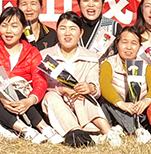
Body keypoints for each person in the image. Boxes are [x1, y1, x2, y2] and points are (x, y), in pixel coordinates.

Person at [0, 8, 55, 141]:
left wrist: (30, 100)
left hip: (26, 100)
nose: (8, 31)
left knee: (15, 88)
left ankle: (43, 127)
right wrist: (3, 96)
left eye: (14, 26)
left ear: (24, 28)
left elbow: (40, 80)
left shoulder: (32, 52)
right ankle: (25, 129)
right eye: (4, 25)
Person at [39, 13, 109, 145]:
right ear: (57, 30)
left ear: (81, 33)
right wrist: (62, 89)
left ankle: (108, 132)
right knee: (50, 97)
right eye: (63, 28)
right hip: (58, 106)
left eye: (72, 29)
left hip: (82, 103)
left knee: (85, 95)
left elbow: (96, 87)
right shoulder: (45, 56)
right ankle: (76, 132)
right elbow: (42, 86)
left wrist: (90, 87)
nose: (67, 33)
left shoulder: (91, 56)